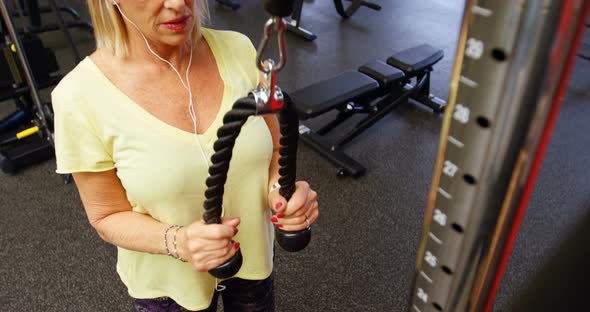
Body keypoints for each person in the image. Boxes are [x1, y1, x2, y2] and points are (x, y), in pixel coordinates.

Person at [51, 0, 319, 311]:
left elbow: (275, 147)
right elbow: (106, 216)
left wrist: (280, 194)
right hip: (169, 287)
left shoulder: (240, 49)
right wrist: (180, 242)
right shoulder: (78, 96)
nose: (179, 3)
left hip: (254, 260)